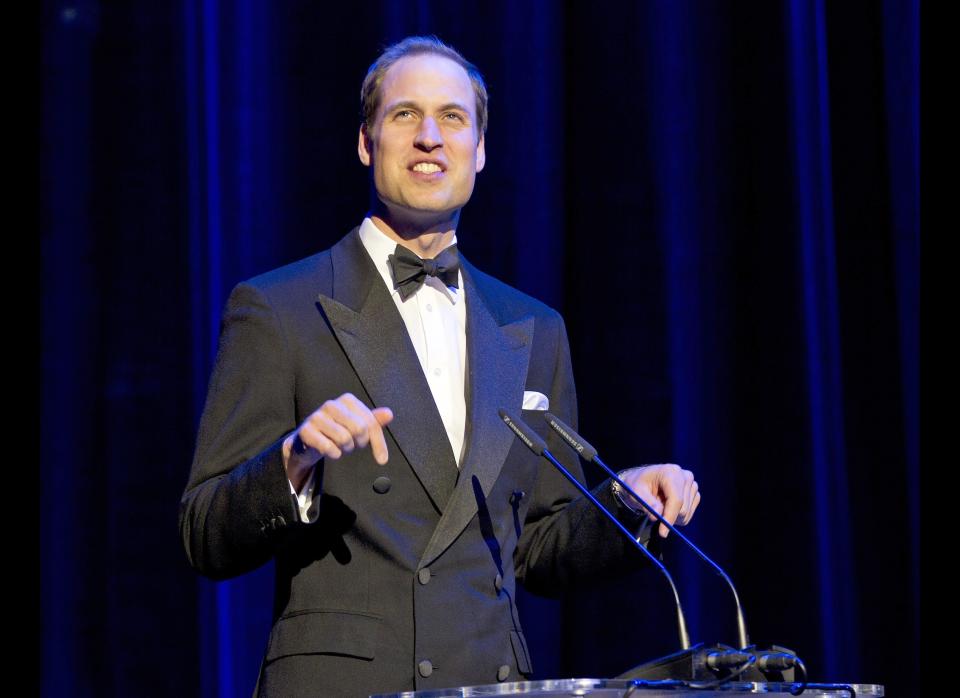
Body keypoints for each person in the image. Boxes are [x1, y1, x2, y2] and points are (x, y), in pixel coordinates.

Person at [179, 36, 700, 698]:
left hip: (489, 684)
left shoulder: (534, 329)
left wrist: (625, 502)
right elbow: (202, 531)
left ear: (480, 151)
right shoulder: (281, 308)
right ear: (367, 142)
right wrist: (294, 460)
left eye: (453, 118)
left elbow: (536, 549)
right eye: (404, 115)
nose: (430, 136)